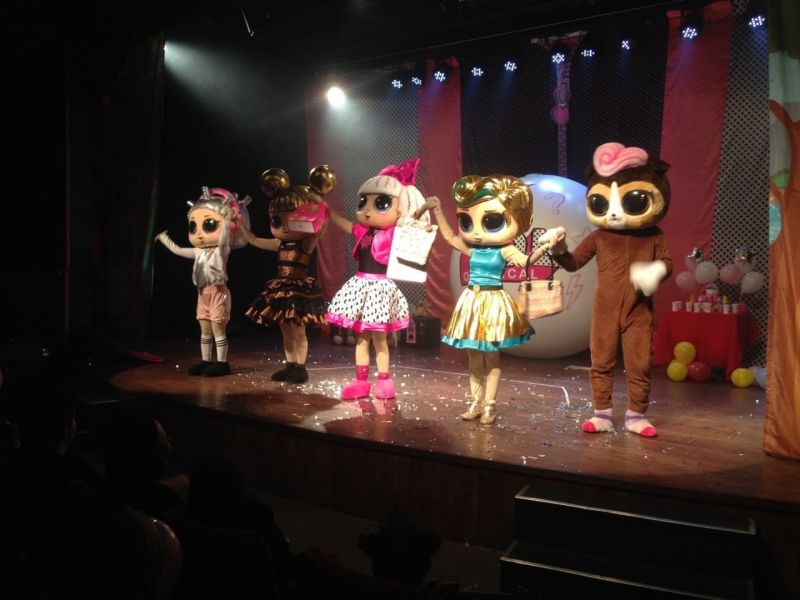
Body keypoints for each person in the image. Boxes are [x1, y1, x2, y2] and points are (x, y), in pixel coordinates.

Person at [541, 142, 672, 437]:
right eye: (602, 203)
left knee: (639, 364)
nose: (613, 214)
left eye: (633, 201)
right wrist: (558, 250)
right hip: (605, 310)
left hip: (638, 311)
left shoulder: (654, 235)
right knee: (600, 362)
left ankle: (636, 415)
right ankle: (602, 413)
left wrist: (655, 271)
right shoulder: (599, 236)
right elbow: (574, 263)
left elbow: (667, 263)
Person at [417, 175, 557, 425]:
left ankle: (490, 405)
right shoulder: (473, 249)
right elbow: (450, 237)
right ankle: (475, 401)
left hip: (493, 303)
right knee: (473, 357)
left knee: (491, 357)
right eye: (467, 221)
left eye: (491, 221)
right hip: (472, 301)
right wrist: (437, 210)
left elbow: (526, 262)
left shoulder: (505, 249)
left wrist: (544, 247)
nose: (477, 232)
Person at [325, 158, 429, 400]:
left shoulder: (394, 233)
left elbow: (414, 223)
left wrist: (423, 208)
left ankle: (384, 380)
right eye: (364, 202)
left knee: (380, 339)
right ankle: (361, 382)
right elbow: (348, 226)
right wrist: (329, 213)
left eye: (380, 203)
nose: (367, 210)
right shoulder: (365, 231)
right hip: (361, 285)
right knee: (361, 338)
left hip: (380, 289)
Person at [239, 166, 335, 384]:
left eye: (291, 219)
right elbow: (253, 240)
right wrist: (240, 224)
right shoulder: (279, 243)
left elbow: (320, 230)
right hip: (281, 289)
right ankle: (290, 364)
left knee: (298, 330)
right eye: (276, 221)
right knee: (285, 329)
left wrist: (322, 209)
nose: (283, 227)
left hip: (298, 291)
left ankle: (300, 367)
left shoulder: (306, 243)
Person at [155, 187, 250, 377]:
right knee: (205, 329)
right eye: (193, 227)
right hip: (202, 293)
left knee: (217, 329)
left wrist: (227, 221)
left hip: (218, 293)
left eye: (208, 224)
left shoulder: (221, 250)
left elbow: (223, 240)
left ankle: (222, 363)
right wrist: (164, 238)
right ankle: (206, 361)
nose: (198, 234)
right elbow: (179, 250)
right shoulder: (198, 251)